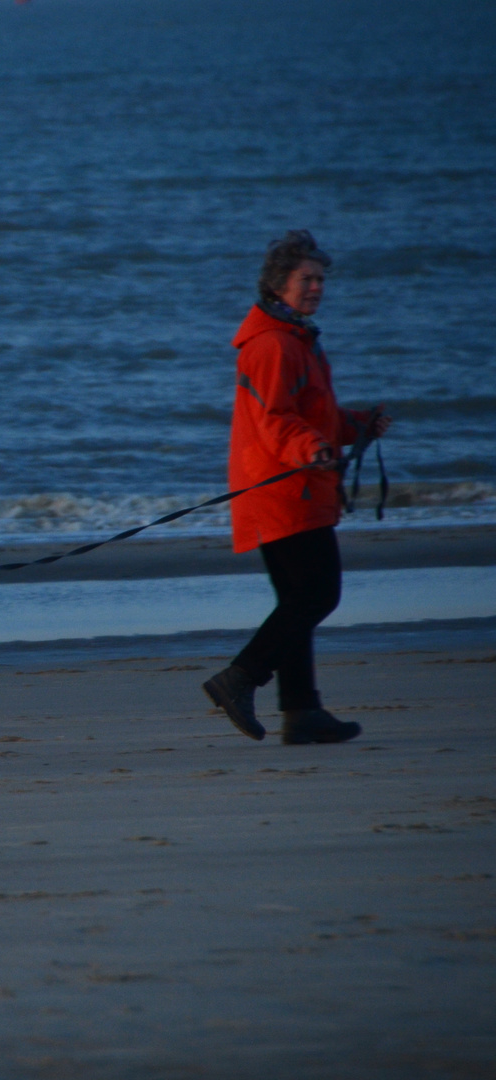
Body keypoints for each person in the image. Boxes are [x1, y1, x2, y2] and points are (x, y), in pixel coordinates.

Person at [202, 230, 390, 745]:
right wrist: (310, 449)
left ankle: (302, 712)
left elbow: (312, 415)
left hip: (293, 487)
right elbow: (275, 420)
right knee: (316, 592)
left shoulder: (296, 339)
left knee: (299, 598)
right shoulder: (271, 344)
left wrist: (354, 426)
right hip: (283, 491)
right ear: (278, 284)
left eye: (320, 279)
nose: (315, 287)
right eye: (305, 279)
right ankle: (240, 678)